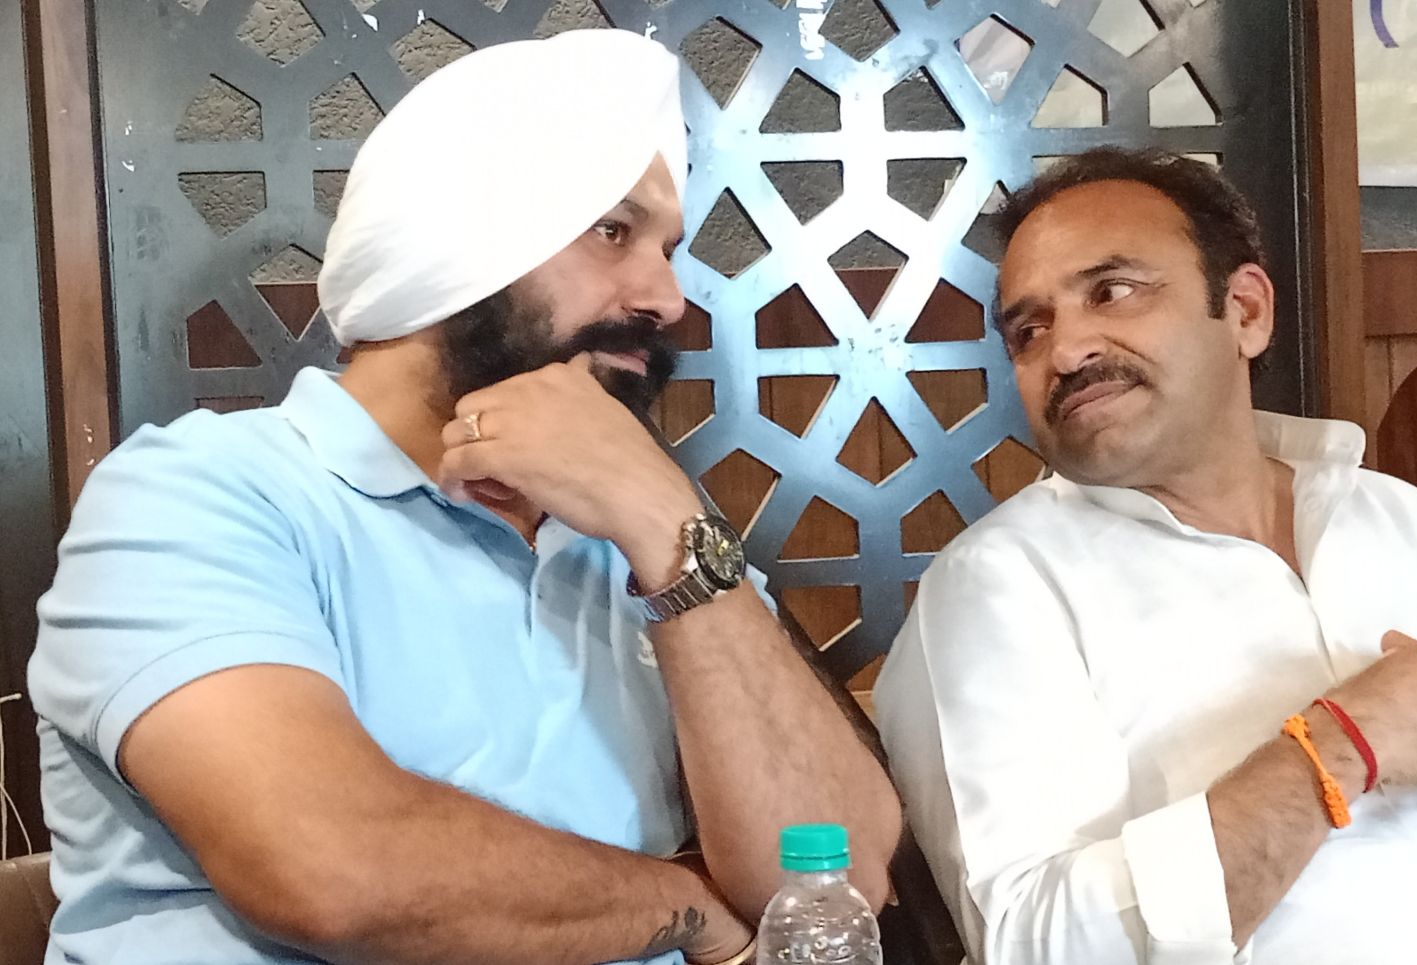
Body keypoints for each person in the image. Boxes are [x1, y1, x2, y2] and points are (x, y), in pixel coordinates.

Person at [29, 30, 900, 965]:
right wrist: (688, 904)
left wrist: (665, 523)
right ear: (455, 240)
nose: (667, 297)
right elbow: (334, 867)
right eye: (613, 231)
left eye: (667, 249)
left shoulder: (643, 529)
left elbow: (836, 878)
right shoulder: (198, 496)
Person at [873, 147, 1417, 965]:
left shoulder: (1401, 516)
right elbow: (1033, 945)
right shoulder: (995, 589)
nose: (1065, 350)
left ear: (1245, 311)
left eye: (1112, 291)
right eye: (1029, 331)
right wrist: (1344, 742)